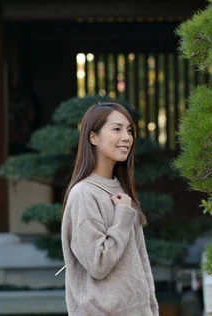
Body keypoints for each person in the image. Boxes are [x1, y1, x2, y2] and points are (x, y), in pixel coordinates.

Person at [60, 102, 159, 315]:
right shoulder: (83, 194)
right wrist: (122, 215)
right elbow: (98, 263)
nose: (127, 137)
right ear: (93, 137)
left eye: (129, 130)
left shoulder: (121, 190)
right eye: (117, 129)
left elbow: (140, 265)